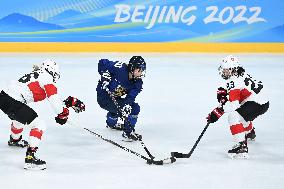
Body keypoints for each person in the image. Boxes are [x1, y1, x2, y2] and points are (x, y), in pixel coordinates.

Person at [0, 59, 85, 170]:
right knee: (39, 125)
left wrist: (68, 102)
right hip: (14, 102)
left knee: (20, 117)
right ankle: (30, 159)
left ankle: (15, 140)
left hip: (4, 97)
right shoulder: (47, 78)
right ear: (53, 72)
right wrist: (62, 114)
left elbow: (49, 95)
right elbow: (53, 99)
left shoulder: (39, 75)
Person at [206, 55, 269, 159]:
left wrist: (217, 112)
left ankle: (241, 145)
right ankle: (250, 133)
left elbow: (233, 105)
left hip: (256, 104)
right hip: (263, 102)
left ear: (233, 69)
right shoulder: (241, 73)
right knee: (242, 115)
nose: (224, 72)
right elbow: (239, 90)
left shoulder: (234, 82)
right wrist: (226, 93)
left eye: (226, 70)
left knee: (233, 117)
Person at [97, 56, 146, 142]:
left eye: (142, 70)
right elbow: (102, 62)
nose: (141, 73)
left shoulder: (138, 83)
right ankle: (128, 133)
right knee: (134, 109)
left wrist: (127, 105)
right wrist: (104, 74)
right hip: (103, 98)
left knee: (127, 107)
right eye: (139, 70)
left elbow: (130, 97)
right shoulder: (119, 68)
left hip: (115, 98)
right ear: (132, 68)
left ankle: (111, 123)